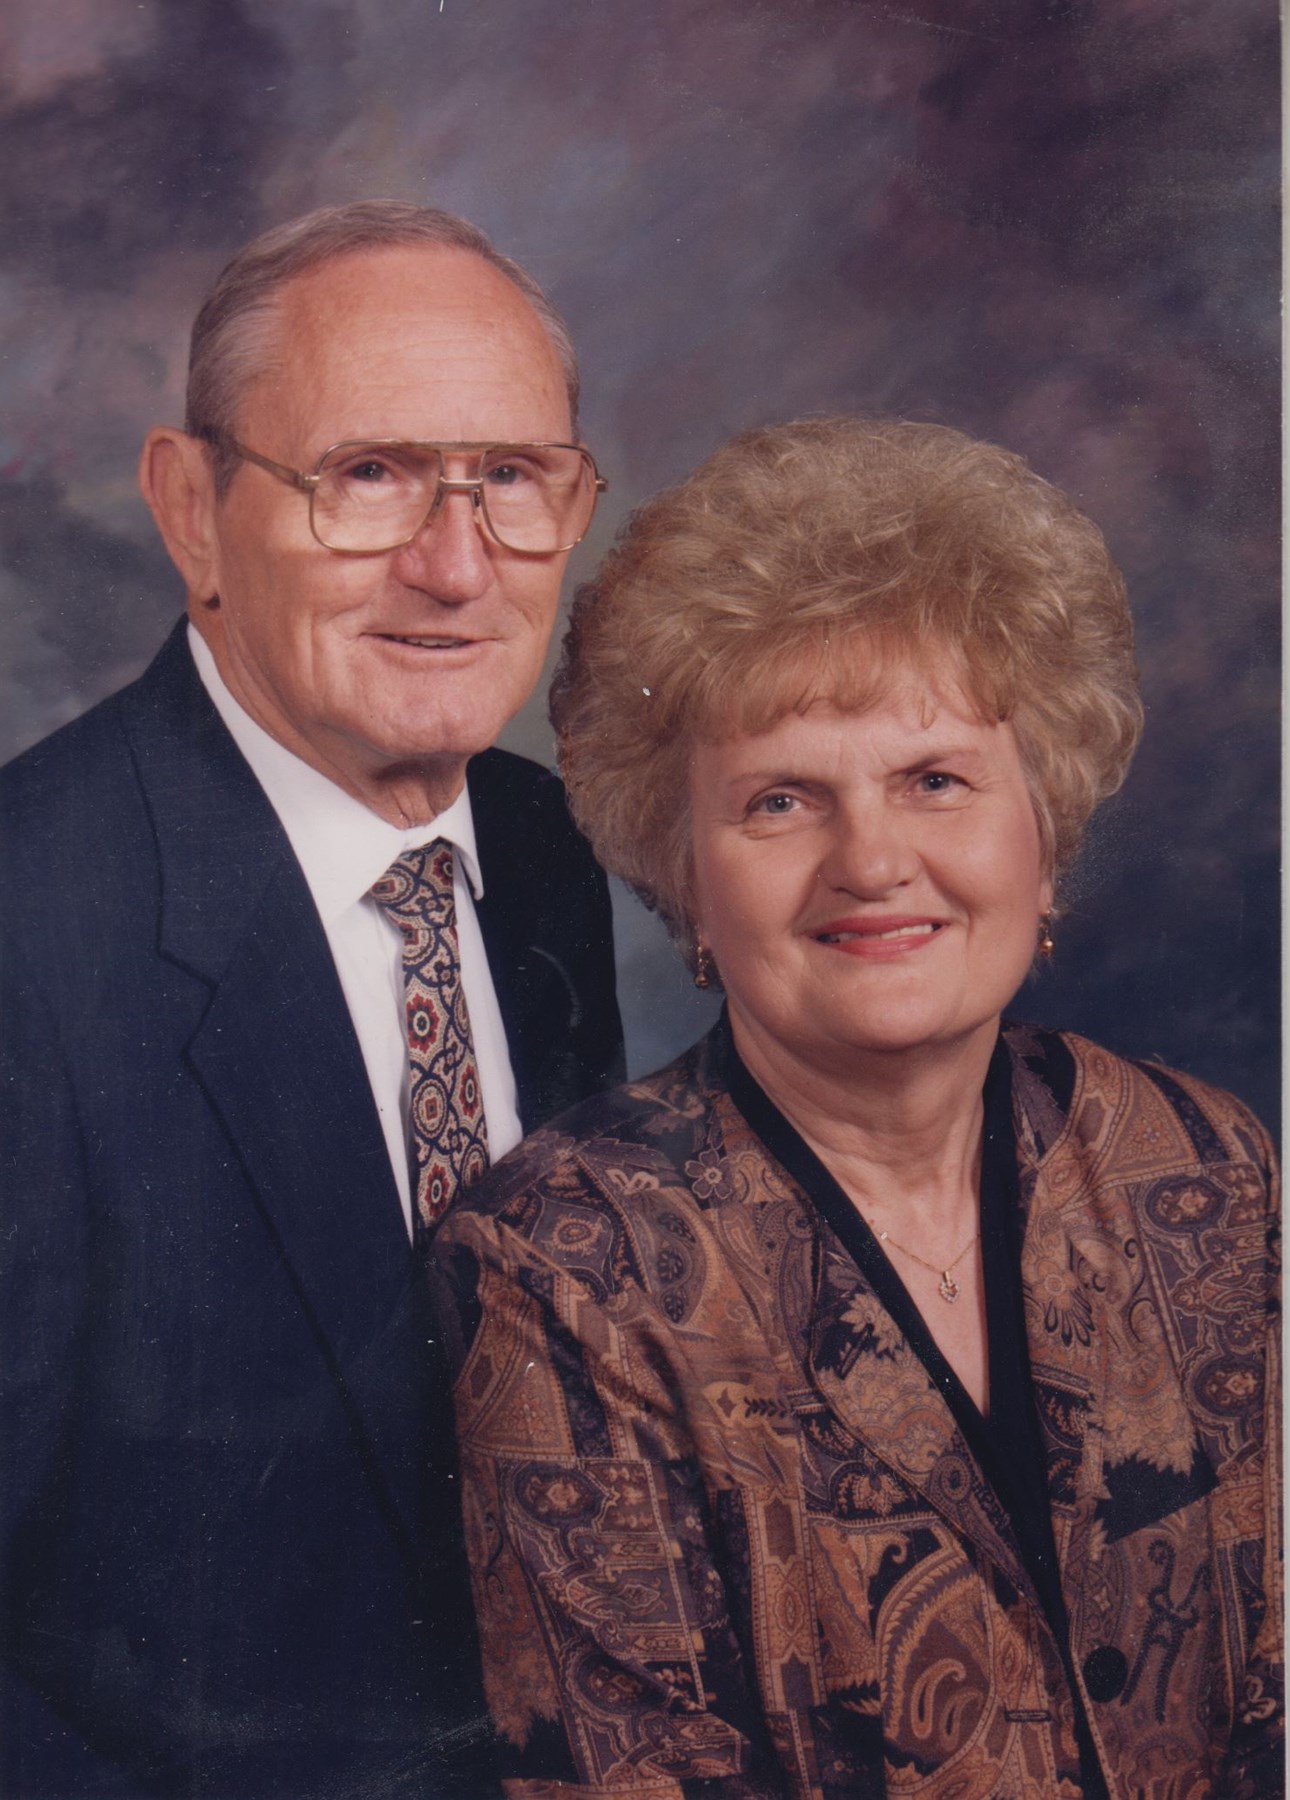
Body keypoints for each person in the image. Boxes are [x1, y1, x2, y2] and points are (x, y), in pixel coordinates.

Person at [432, 417, 1282, 1799]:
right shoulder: (570, 1265)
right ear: (686, 877)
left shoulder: (1200, 1164)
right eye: (781, 801)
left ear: (1043, 836)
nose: (872, 860)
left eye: (935, 781)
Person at [0, 201, 624, 1800]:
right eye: (369, 475)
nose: (453, 566)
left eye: (511, 479)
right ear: (190, 510)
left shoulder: (545, 851)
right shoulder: (26, 931)